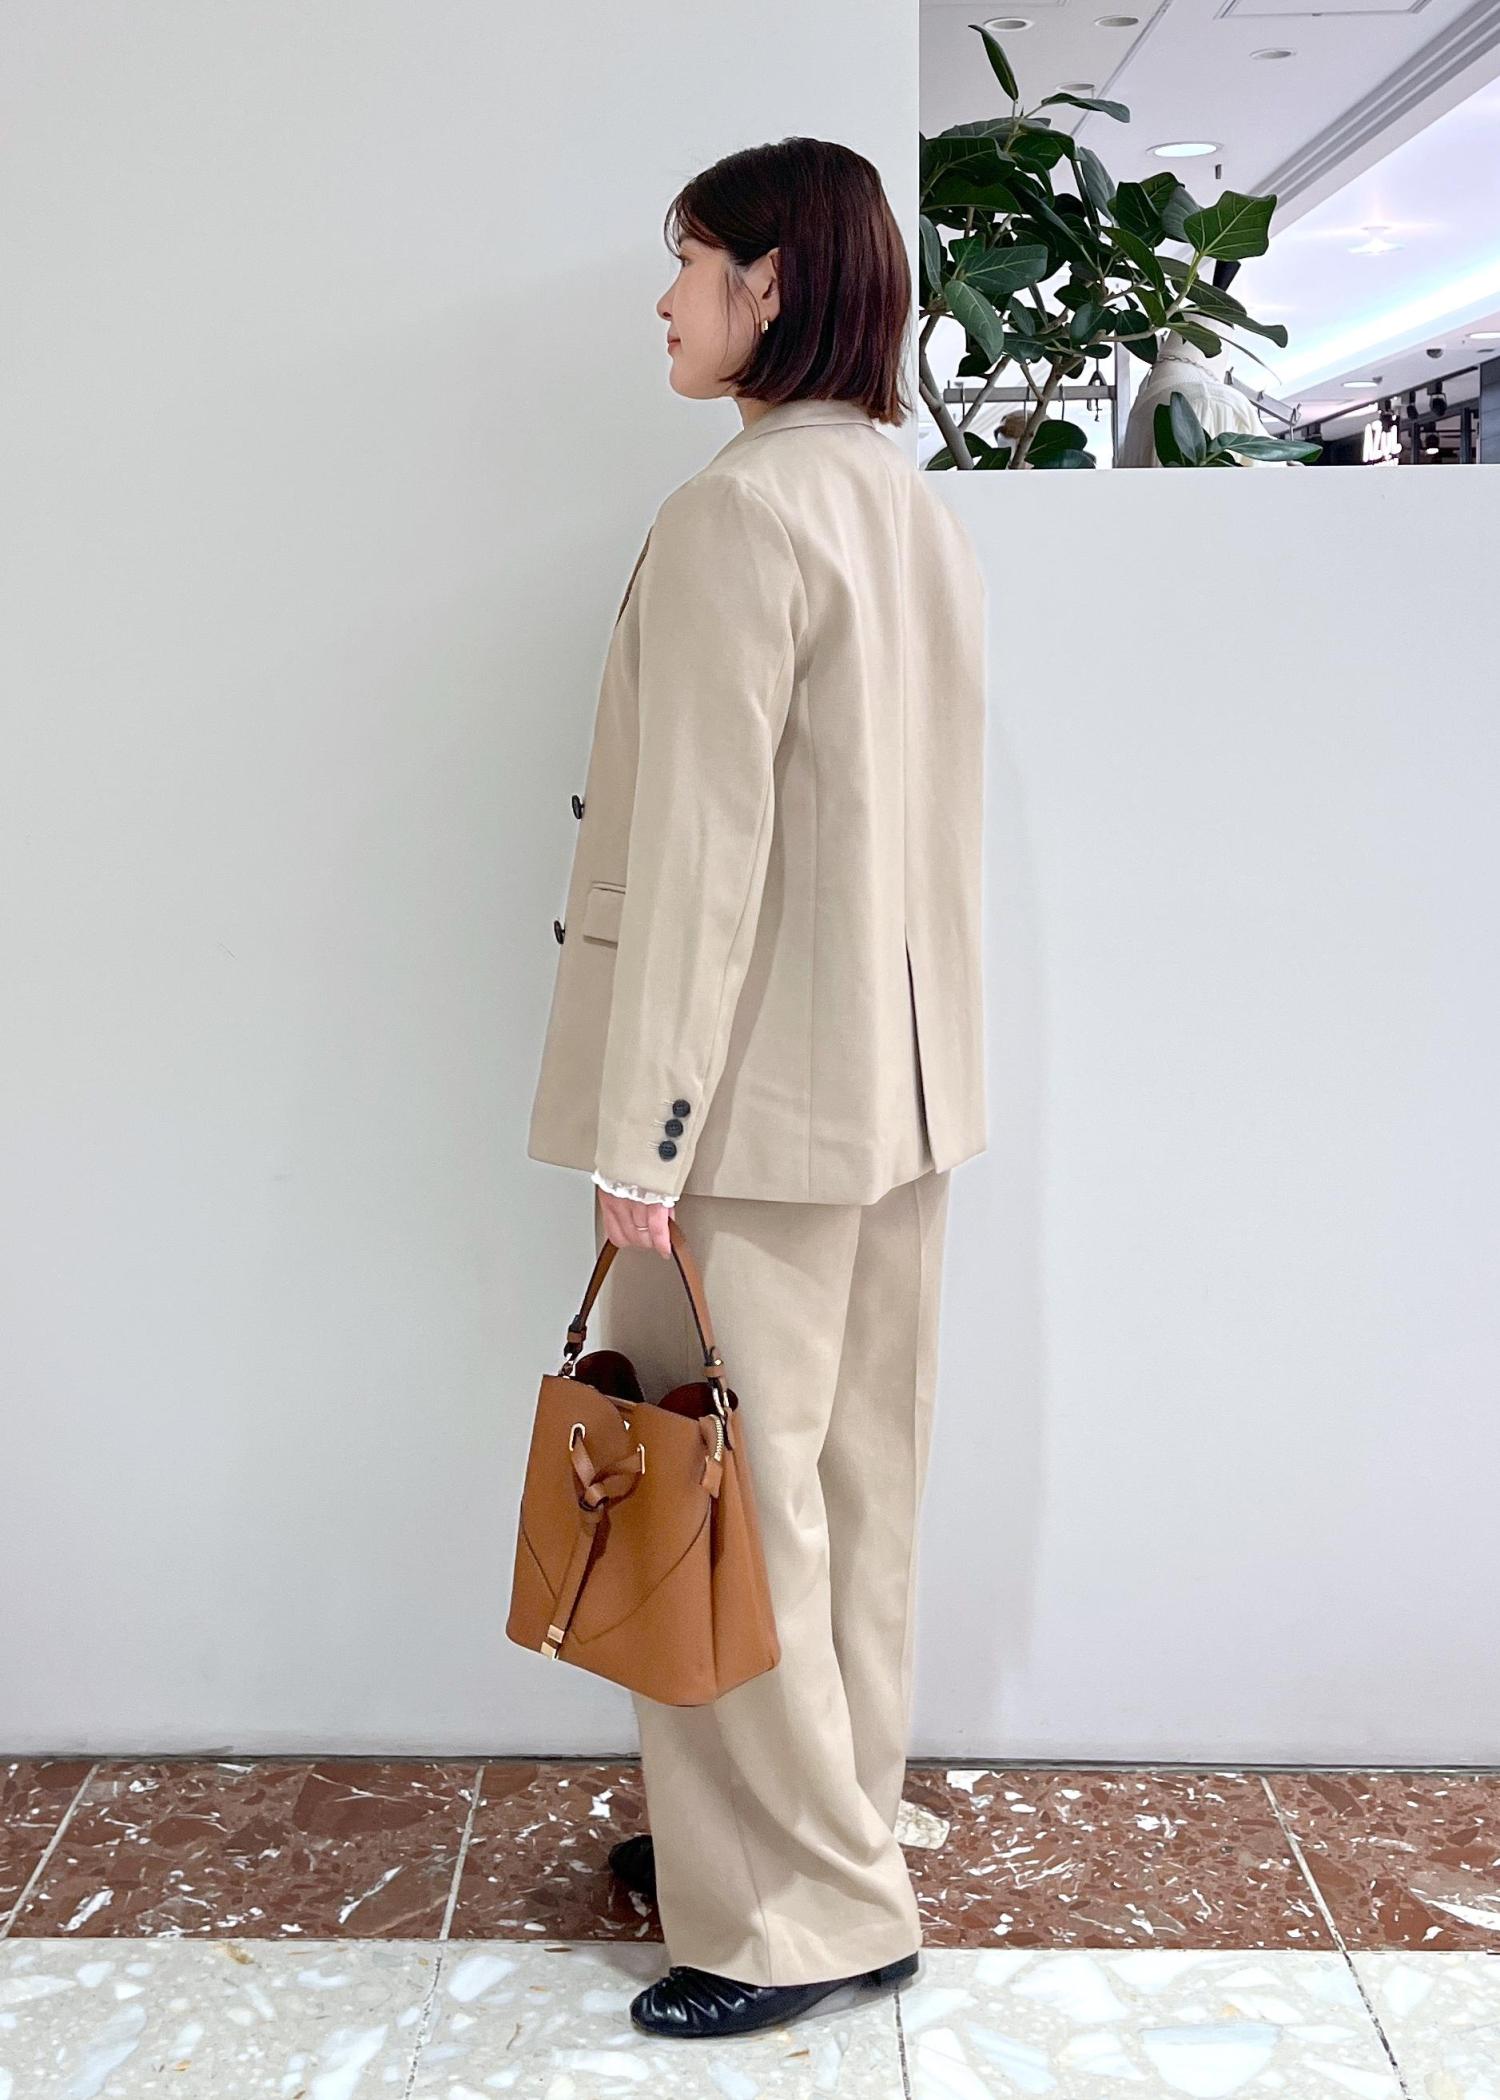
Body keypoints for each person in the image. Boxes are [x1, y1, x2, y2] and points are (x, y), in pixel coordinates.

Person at [525, 136, 988, 2040]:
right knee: (845, 1494)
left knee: (722, 1497)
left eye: (693, 262)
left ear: (772, 285)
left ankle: (796, 1910)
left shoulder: (739, 514)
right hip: (895, 1090)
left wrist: (645, 1135)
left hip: (742, 1107)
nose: (666, 299)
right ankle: (832, 1827)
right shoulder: (899, 499)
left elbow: (708, 854)